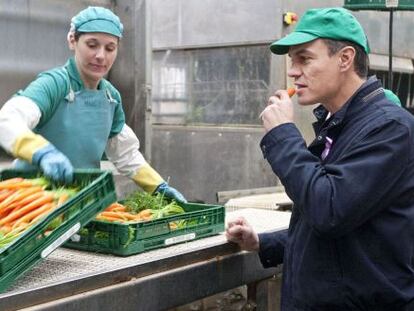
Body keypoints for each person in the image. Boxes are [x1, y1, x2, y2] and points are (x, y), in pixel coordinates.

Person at [227, 7, 414, 310]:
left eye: (305, 58)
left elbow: (329, 209)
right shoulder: (340, 124)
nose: (292, 71)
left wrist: (284, 135)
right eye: (292, 61)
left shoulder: (389, 127)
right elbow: (340, 232)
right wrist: (263, 242)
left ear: (345, 58)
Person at [0, 6, 186, 203]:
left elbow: (125, 154)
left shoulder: (110, 97)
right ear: (73, 40)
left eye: (110, 48)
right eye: (92, 45)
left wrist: (157, 186)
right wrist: (42, 153)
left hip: (79, 202)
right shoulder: (55, 84)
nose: (101, 56)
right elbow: (6, 120)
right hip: (29, 203)